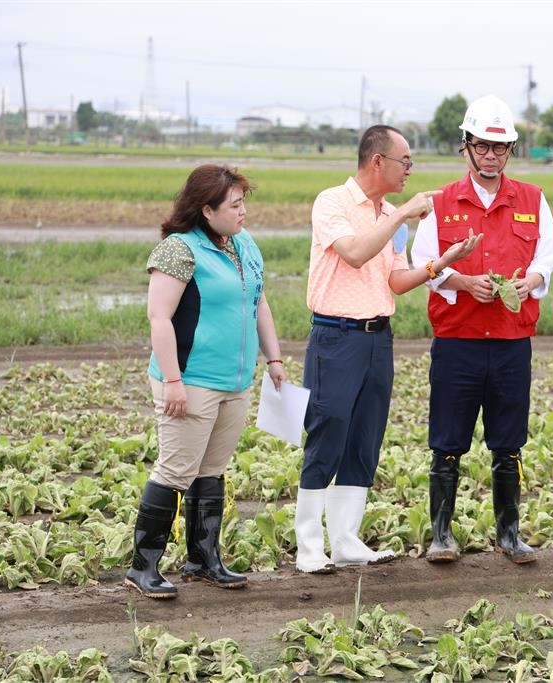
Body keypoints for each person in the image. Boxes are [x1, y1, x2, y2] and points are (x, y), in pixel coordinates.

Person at [295, 125, 482, 573]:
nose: (410, 170)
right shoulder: (333, 202)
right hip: (336, 336)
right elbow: (355, 253)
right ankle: (309, 546)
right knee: (327, 434)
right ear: (377, 161)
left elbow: (395, 280)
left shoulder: (391, 215)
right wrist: (400, 218)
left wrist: (442, 263)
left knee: (365, 437)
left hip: (378, 338)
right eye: (405, 161)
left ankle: (346, 540)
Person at [411, 95, 553, 565]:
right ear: (466, 146)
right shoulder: (441, 203)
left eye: (500, 147)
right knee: (447, 440)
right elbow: (423, 262)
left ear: (510, 150)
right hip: (458, 341)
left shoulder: (532, 199)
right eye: (482, 146)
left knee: (508, 441)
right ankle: (441, 536)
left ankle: (509, 534)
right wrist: (461, 281)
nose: (491, 156)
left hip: (512, 342)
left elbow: (547, 254)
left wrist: (531, 280)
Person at [126, 164, 287, 599]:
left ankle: (203, 559)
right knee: (175, 470)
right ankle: (143, 566)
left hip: (235, 380)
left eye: (243, 202)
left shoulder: (243, 243)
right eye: (234, 205)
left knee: (212, 470)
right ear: (207, 210)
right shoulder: (179, 250)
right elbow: (159, 318)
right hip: (191, 380)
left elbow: (259, 302)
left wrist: (273, 357)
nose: (243, 211)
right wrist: (173, 381)